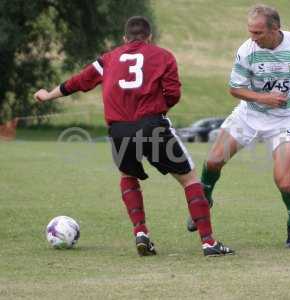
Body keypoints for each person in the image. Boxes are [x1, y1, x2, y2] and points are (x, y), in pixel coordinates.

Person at [33, 16, 233, 257]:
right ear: (149, 37)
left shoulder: (108, 58)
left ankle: (141, 233)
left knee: (128, 175)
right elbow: (173, 93)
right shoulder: (164, 56)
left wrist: (47, 95)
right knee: (189, 180)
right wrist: (159, 110)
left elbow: (79, 82)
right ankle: (209, 243)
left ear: (124, 39)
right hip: (151, 126)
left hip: (119, 130)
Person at [187, 5, 290, 248]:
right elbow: (234, 89)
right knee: (212, 161)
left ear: (275, 29)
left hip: (285, 119)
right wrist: (264, 99)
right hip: (249, 115)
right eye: (250, 32)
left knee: (284, 182)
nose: (252, 38)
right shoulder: (247, 50)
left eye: (258, 33)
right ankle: (205, 200)